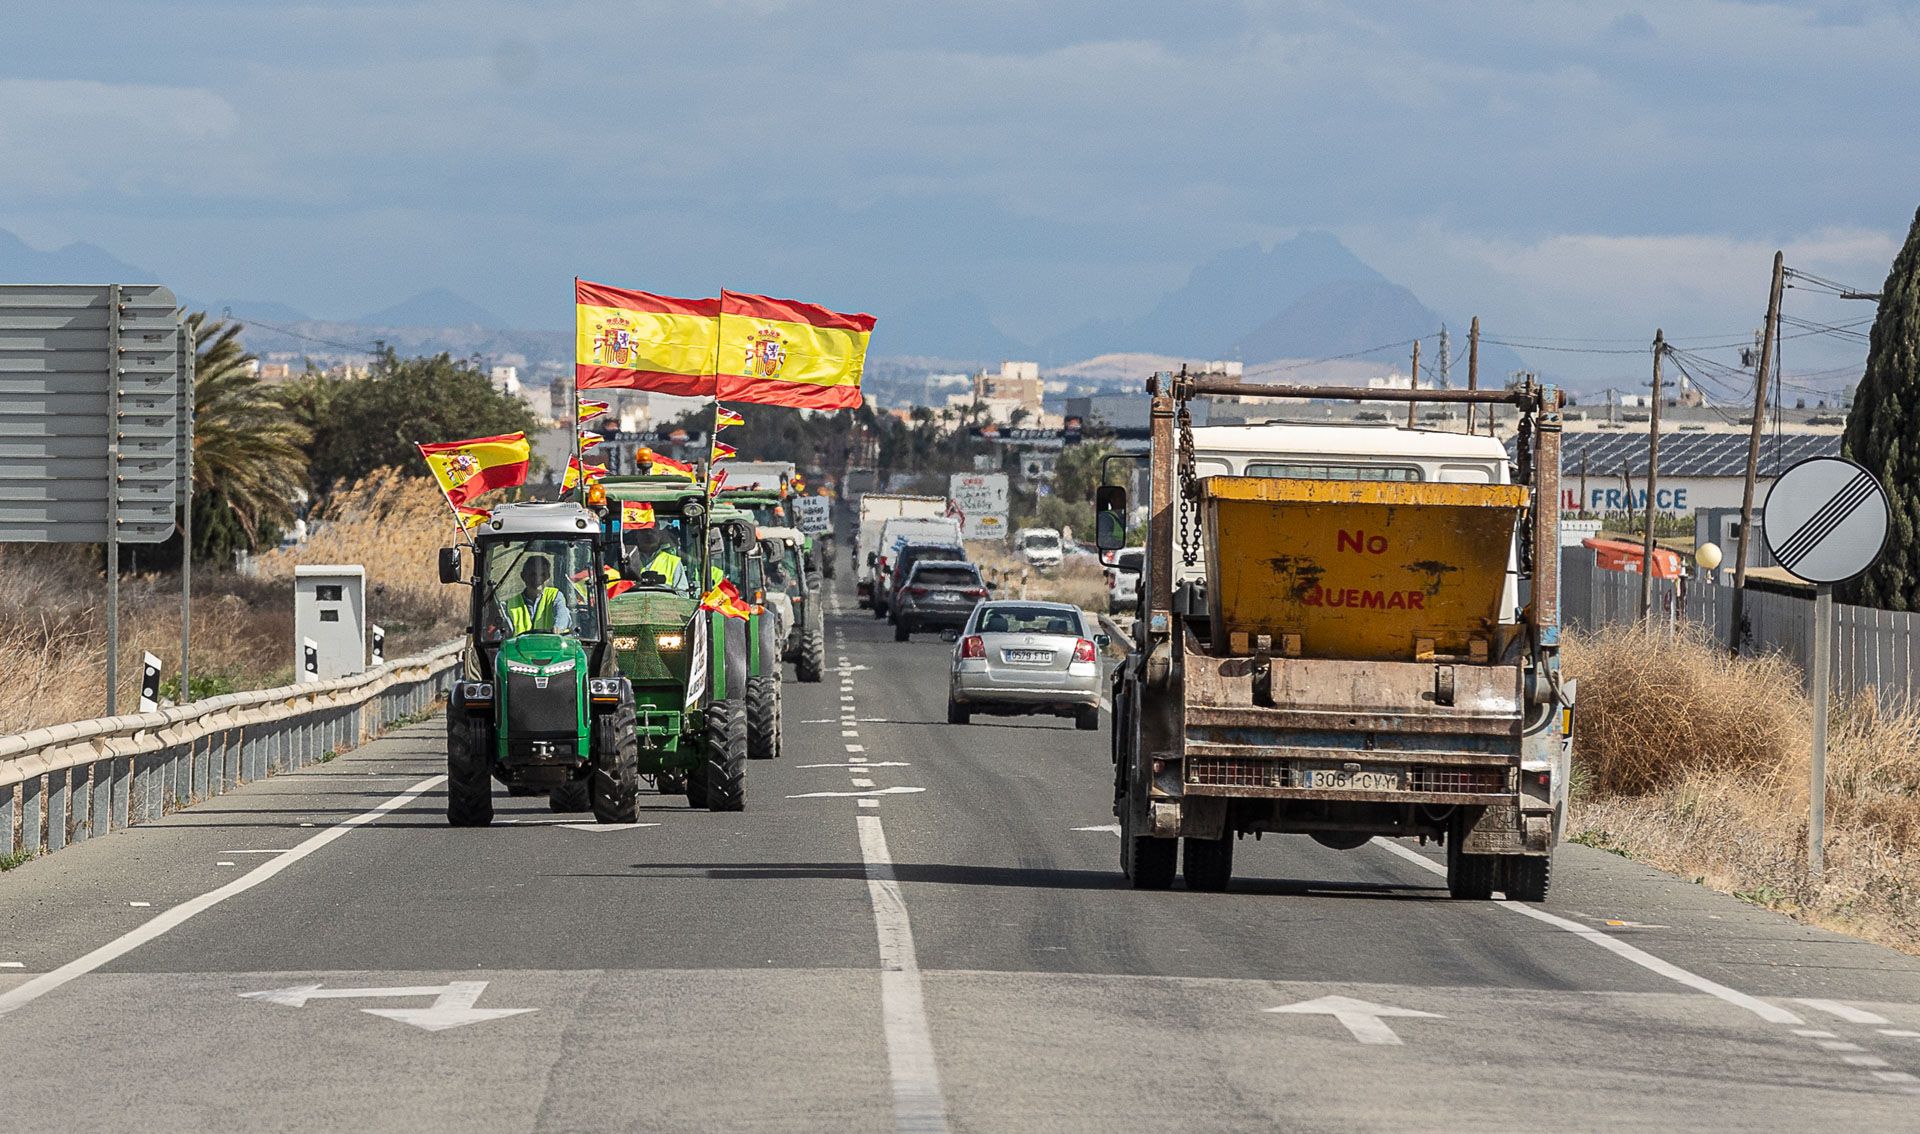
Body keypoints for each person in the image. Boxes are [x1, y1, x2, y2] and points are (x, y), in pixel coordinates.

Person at [502, 555, 572, 634]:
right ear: (523, 576)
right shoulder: (509, 605)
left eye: (542, 575)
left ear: (548, 576)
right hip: (520, 646)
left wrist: (558, 628)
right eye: (533, 574)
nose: (538, 579)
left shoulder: (555, 596)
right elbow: (503, 631)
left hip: (550, 645)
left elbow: (562, 616)